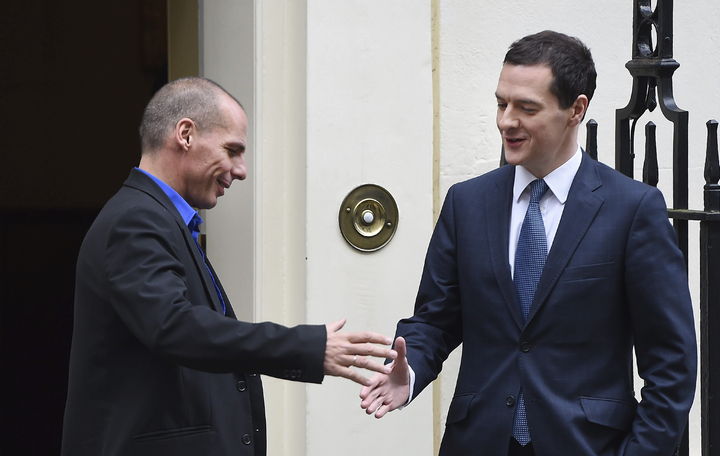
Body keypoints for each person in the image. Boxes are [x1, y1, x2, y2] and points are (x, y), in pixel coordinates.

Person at [359, 31, 697, 456]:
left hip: (586, 444)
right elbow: (435, 319)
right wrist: (408, 374)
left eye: (526, 108)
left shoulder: (632, 209)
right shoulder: (467, 203)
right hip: (478, 442)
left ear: (576, 110)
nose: (507, 121)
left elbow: (671, 363)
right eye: (502, 104)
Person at [61, 77, 396, 456]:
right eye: (232, 150)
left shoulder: (159, 218)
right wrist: (305, 347)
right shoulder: (136, 219)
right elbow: (175, 327)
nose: (241, 170)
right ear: (185, 134)